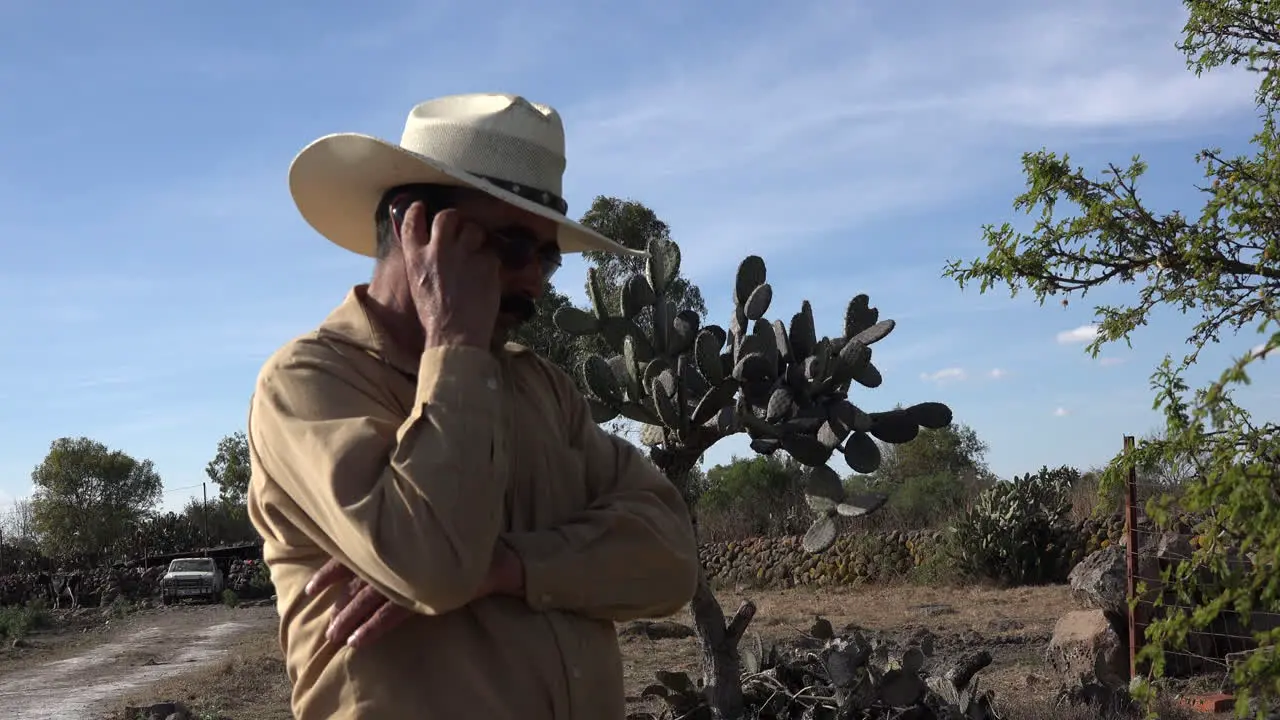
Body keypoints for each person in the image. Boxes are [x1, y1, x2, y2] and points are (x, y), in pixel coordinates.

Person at [245, 93, 701, 720]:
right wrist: (453, 341)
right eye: (511, 245)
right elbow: (431, 564)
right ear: (415, 231)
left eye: (546, 256)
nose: (535, 278)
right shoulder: (309, 383)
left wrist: (509, 568)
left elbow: (671, 557)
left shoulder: (542, 388)